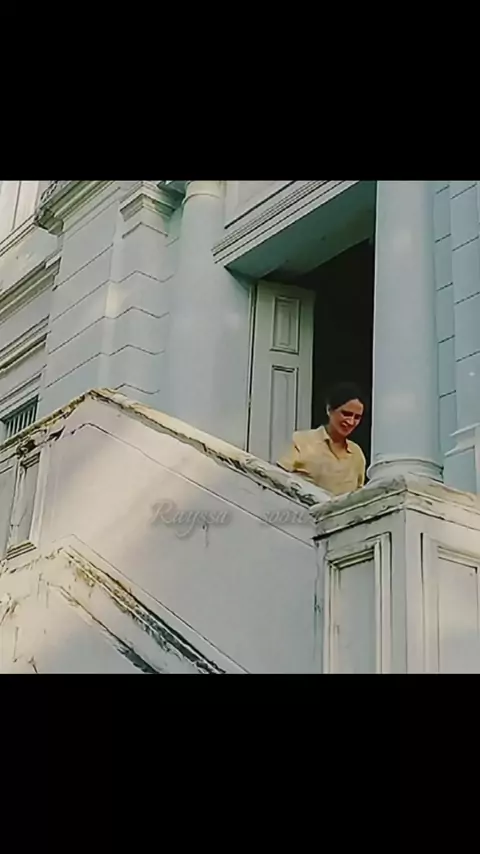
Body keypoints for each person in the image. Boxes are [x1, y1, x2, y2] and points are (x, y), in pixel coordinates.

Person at [277, 382, 366, 496]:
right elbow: (278, 479)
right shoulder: (302, 441)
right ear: (329, 410)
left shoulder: (356, 453)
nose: (351, 422)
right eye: (346, 414)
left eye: (357, 417)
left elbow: (359, 494)